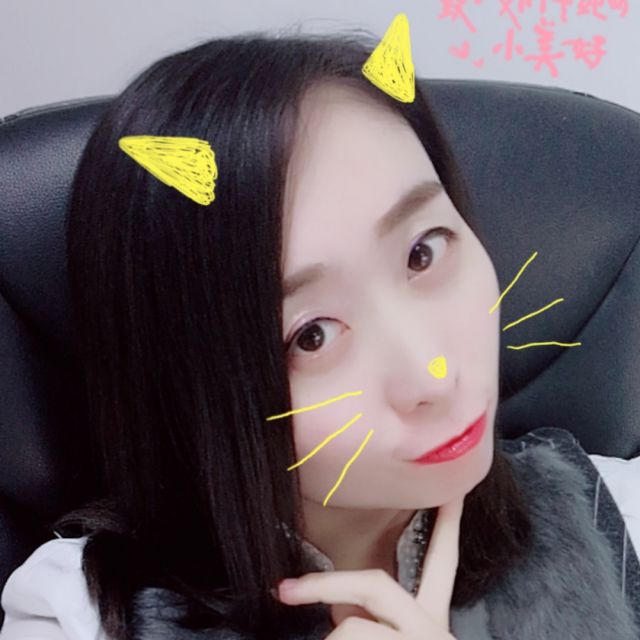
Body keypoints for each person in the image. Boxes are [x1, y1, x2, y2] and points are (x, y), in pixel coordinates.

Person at [1, 29, 640, 640]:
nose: (432, 376)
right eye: (312, 335)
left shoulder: (616, 513)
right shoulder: (76, 614)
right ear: (194, 388)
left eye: (423, 253)